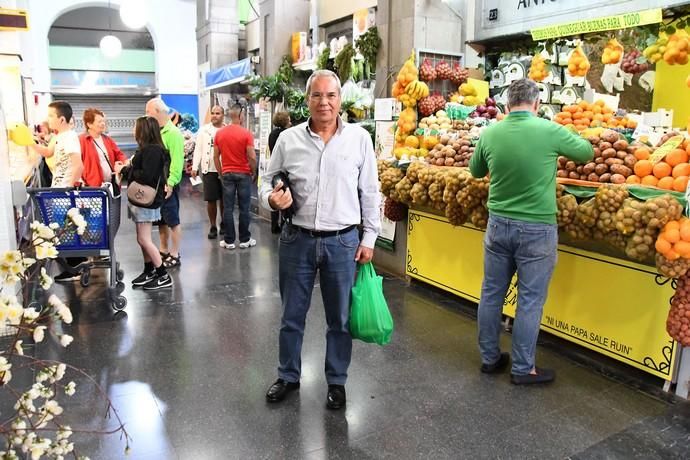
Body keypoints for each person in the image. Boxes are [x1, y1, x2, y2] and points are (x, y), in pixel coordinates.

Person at [260, 70, 381, 409]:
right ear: (307, 99)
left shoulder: (359, 139)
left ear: (340, 100)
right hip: (297, 239)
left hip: (342, 242)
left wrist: (369, 236)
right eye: (317, 95)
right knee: (291, 315)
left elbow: (370, 191)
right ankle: (288, 375)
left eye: (330, 95)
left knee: (339, 318)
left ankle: (337, 381)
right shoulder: (288, 139)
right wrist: (272, 199)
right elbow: (265, 183)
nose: (324, 102)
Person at [468, 78, 594, 385]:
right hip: (537, 229)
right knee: (530, 300)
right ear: (537, 105)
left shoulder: (491, 132)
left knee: (491, 293)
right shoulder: (549, 130)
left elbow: (475, 171)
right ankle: (523, 369)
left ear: (507, 105)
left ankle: (489, 359)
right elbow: (586, 153)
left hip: (498, 225)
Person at [115, 116, 172, 290]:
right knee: (141, 239)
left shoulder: (152, 151)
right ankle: (149, 270)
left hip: (146, 200)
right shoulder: (149, 149)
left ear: (143, 130)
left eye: (136, 126)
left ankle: (163, 275)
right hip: (142, 199)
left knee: (144, 239)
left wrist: (125, 170)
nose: (133, 130)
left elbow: (147, 176)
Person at [145, 97, 185, 269]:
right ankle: (163, 249)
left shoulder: (174, 133)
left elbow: (177, 162)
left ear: (159, 112)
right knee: (161, 220)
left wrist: (171, 183)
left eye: (148, 112)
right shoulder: (156, 132)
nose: (146, 115)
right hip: (156, 185)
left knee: (173, 220)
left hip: (168, 184)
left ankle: (175, 254)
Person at [213, 104, 257, 250]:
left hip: (227, 174)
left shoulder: (219, 134)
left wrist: (221, 173)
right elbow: (251, 156)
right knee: (244, 208)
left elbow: (215, 157)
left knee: (228, 208)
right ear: (241, 115)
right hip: (244, 174)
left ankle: (229, 240)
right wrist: (254, 172)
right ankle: (245, 240)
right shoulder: (246, 134)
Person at [192, 105, 226, 239]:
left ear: (223, 115)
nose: (214, 115)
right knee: (211, 200)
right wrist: (195, 166)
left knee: (224, 199)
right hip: (208, 170)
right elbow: (198, 149)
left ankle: (224, 222)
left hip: (224, 170)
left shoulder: (226, 129)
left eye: (217, 113)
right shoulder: (203, 130)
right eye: (212, 113)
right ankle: (213, 225)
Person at [79, 108, 128, 187]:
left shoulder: (107, 139)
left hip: (111, 185)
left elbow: (119, 154)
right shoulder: (81, 141)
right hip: (92, 187)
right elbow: (76, 163)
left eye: (103, 121)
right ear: (89, 124)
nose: (103, 124)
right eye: (99, 121)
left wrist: (124, 162)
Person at [268, 111, 291, 234]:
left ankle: (273, 225)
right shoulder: (286, 135)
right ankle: (284, 224)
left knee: (275, 195)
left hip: (274, 169)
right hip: (284, 170)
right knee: (285, 196)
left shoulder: (272, 134)